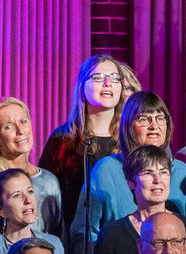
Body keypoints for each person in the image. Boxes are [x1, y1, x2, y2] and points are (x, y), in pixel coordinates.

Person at [73, 91, 186, 244]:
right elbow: (84, 232)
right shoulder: (107, 170)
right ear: (128, 125)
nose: (154, 126)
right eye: (144, 119)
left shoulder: (181, 171)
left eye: (160, 118)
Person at [39, 54, 138, 228]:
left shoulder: (132, 138)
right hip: (74, 237)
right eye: (98, 77)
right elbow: (45, 193)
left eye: (115, 78)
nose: (107, 83)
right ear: (82, 86)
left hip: (124, 235)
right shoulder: (62, 139)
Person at [0, 97, 62, 240]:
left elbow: (58, 238)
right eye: (8, 126)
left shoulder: (49, 181)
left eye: (23, 121)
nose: (20, 131)